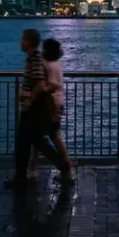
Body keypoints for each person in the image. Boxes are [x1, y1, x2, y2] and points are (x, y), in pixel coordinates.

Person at [9, 29, 69, 187]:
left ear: (29, 42)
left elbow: (41, 85)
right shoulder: (33, 59)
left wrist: (28, 98)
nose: (20, 42)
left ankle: (63, 168)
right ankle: (22, 175)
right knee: (30, 143)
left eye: (22, 39)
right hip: (34, 108)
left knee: (34, 143)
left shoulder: (35, 60)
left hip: (33, 110)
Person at [41, 38, 73, 176]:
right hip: (54, 103)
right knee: (47, 137)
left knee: (53, 137)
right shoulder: (56, 64)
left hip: (52, 104)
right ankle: (30, 169)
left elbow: (54, 85)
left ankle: (66, 166)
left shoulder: (51, 65)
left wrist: (40, 90)